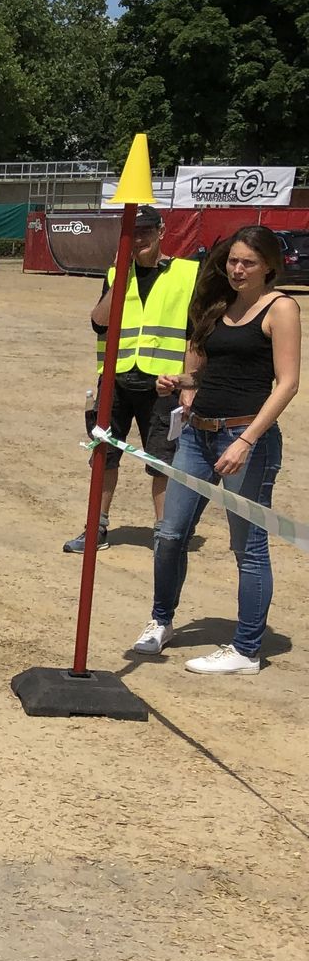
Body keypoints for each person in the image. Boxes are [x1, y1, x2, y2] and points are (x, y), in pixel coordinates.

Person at [135, 225, 299, 673]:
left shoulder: (281, 308)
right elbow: (211, 372)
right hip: (197, 434)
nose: (237, 269)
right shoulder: (220, 305)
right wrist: (180, 381)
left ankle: (246, 649)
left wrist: (247, 440)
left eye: (248, 262)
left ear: (269, 266)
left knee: (248, 546)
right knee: (170, 534)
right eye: (232, 261)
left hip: (245, 439)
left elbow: (287, 384)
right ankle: (161, 620)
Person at [64, 207, 196, 552]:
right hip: (116, 380)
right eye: (132, 233)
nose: (138, 240)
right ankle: (96, 528)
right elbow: (99, 322)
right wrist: (120, 276)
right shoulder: (116, 274)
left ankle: (165, 535)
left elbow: (195, 336)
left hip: (163, 385)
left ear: (161, 231)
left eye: (145, 232)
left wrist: (189, 385)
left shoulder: (187, 274)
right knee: (104, 455)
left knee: (162, 460)